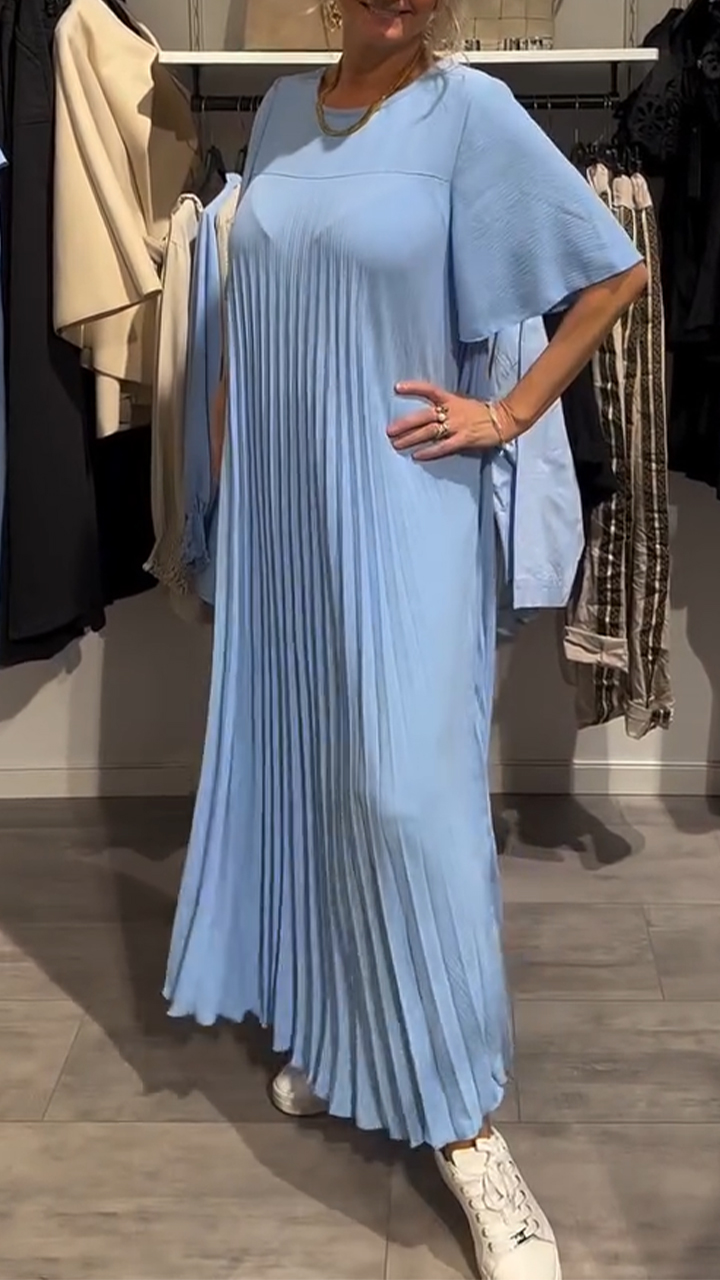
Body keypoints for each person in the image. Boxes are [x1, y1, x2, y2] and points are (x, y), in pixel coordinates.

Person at [164, 3, 647, 1277]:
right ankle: (346, 1028)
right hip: (282, 517)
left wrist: (508, 413)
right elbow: (253, 304)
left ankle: (472, 1133)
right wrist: (225, 474)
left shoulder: (469, 113)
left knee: (405, 800)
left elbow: (614, 272)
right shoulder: (281, 112)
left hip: (402, 505)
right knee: (313, 776)